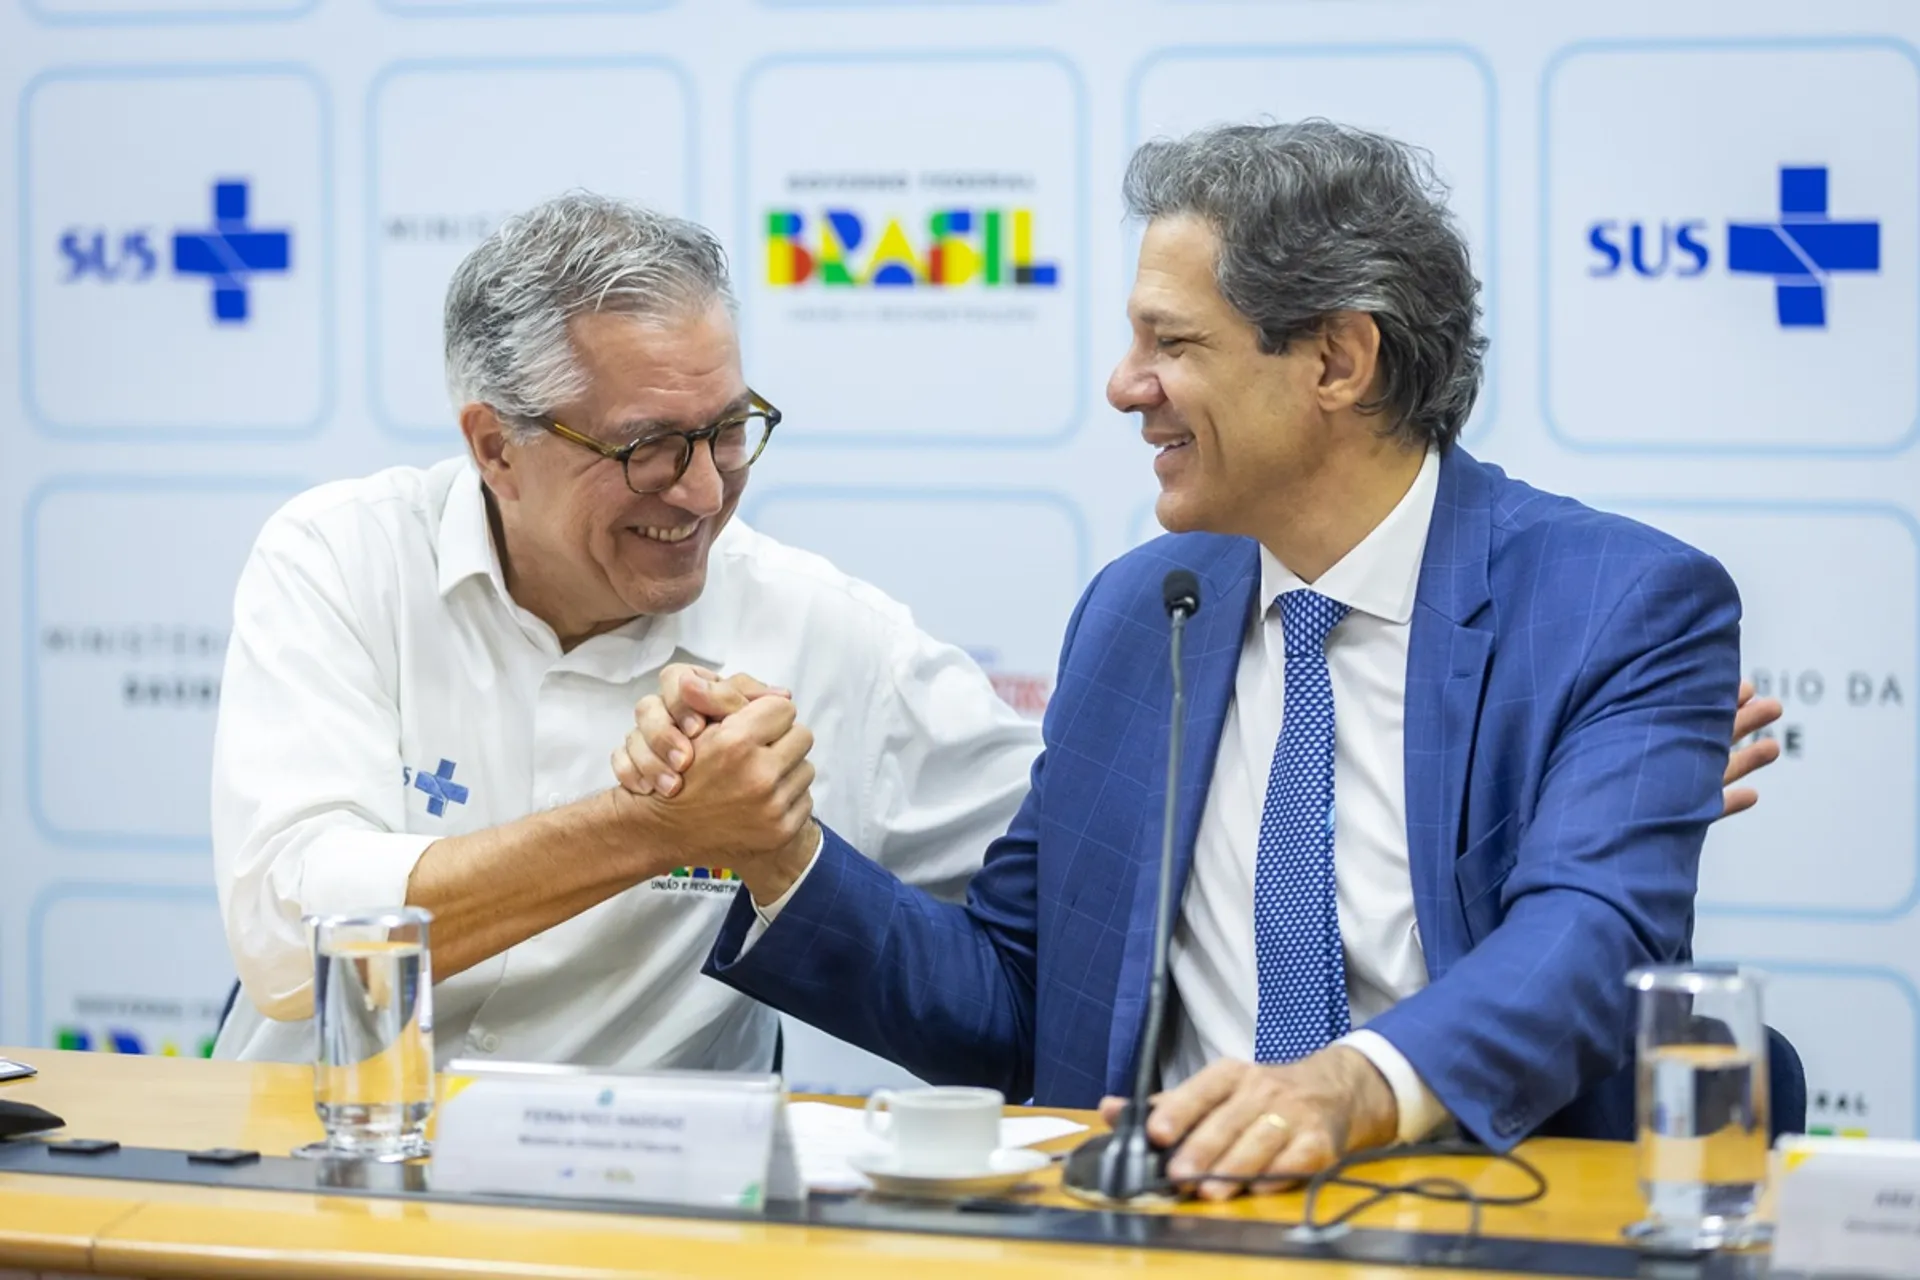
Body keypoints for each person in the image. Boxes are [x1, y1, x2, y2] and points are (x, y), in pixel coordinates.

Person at [627, 121, 1779, 1191]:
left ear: (1338, 360)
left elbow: (1589, 943)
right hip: (1161, 1225)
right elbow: (1021, 1000)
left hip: (1474, 1217)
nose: (1125, 387)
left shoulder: (1615, 605)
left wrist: (1350, 1086)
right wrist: (777, 853)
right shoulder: (1145, 610)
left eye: (1171, 342)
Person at [209, 194, 1038, 1068]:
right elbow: (290, 940)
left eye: (728, 430)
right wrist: (656, 827)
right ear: (495, 448)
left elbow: (1080, 873)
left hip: (640, 1157)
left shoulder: (827, 634)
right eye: (647, 448)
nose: (704, 492)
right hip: (327, 1134)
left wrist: (790, 855)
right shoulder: (345, 557)